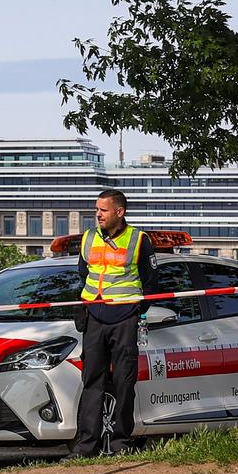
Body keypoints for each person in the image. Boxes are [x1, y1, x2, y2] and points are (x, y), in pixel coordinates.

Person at [72, 188, 155, 457]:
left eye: (103, 210)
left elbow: (151, 282)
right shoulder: (87, 238)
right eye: (96, 210)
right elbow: (83, 274)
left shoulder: (139, 239)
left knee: (123, 383)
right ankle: (86, 447)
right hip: (94, 317)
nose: (98, 215)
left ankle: (121, 443)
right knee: (91, 382)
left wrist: (136, 311)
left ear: (119, 212)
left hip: (124, 318)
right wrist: (82, 307)